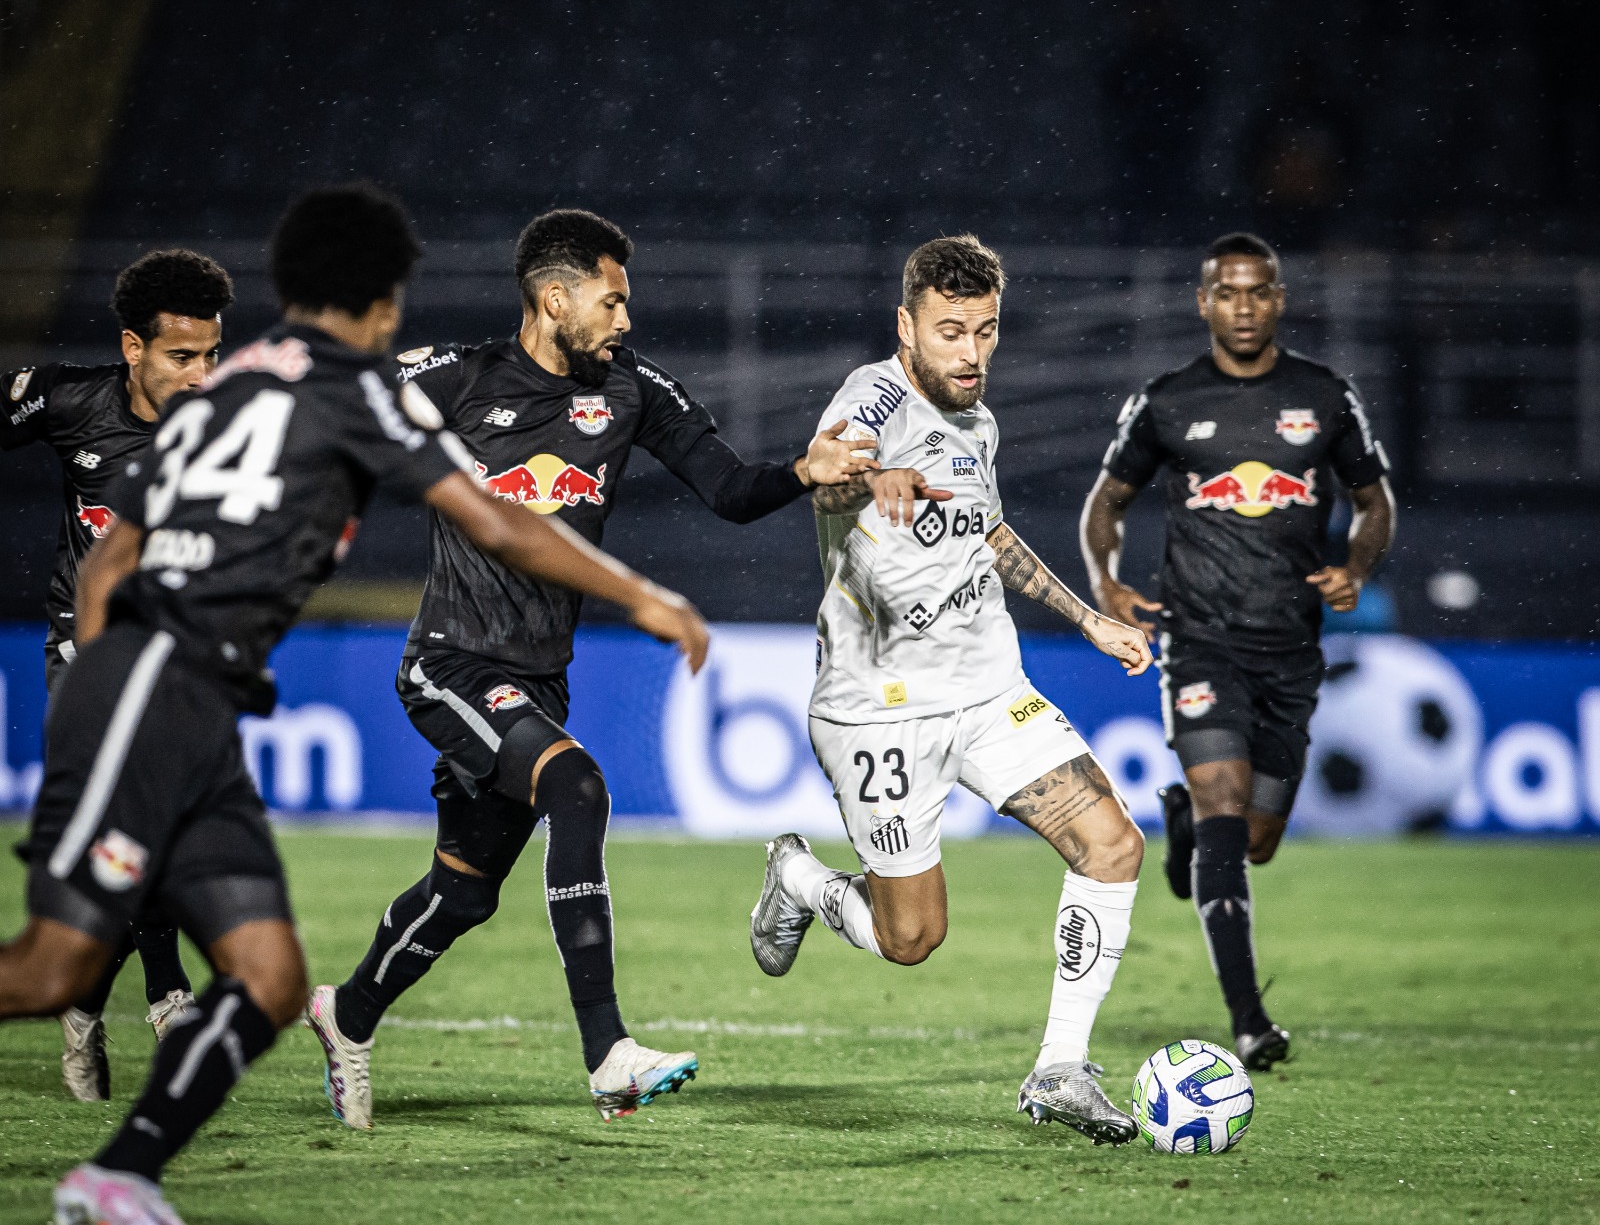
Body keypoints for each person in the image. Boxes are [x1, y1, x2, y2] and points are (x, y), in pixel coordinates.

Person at [0, 183, 709, 1225]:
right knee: (60, 965)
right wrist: (648, 596)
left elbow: (112, 554)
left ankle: (116, 1178)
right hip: (158, 699)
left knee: (272, 974)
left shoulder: (240, 384)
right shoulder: (353, 394)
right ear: (378, 299)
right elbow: (507, 528)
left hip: (176, 702)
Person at [307, 207, 876, 1129]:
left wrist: (802, 472)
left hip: (539, 677)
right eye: (611, 301)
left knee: (463, 890)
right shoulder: (457, 377)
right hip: (450, 663)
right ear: (553, 297)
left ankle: (349, 1012)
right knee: (578, 787)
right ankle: (608, 1052)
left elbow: (731, 491)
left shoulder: (632, 388)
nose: (625, 320)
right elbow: (342, 413)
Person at [748, 234, 1154, 1143]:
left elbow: (991, 533)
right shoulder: (876, 392)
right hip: (878, 712)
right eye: (949, 333)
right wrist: (867, 470)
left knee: (1113, 844)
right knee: (911, 939)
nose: (970, 353)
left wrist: (1089, 621)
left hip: (986, 688)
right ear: (907, 327)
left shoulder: (978, 422)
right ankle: (801, 878)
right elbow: (824, 469)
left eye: (986, 331)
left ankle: (1059, 1070)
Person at [1079, 231, 1395, 1070]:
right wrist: (1107, 584)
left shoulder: (1326, 398)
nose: (1244, 306)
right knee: (1226, 805)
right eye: (1228, 292)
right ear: (1204, 303)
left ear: (1279, 300)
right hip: (1201, 641)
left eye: (1259, 292)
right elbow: (1105, 505)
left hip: (1290, 650)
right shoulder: (1168, 401)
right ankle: (1249, 1020)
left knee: (1254, 841)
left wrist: (1356, 566)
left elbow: (1375, 502)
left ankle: (1186, 828)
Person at [2, 249, 235, 1101]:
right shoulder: (68, 401)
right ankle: (168, 988)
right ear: (134, 348)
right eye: (183, 356)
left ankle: (81, 1008)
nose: (202, 374)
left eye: (213, 354)